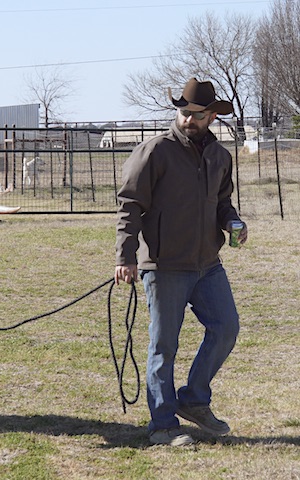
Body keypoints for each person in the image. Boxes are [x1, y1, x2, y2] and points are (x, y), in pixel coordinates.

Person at [114, 78, 248, 446]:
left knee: (226, 327)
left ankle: (193, 399)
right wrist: (125, 257)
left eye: (197, 114)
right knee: (164, 346)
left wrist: (233, 222)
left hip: (208, 264)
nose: (189, 119)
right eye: (184, 112)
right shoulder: (154, 151)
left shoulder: (220, 156)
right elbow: (129, 207)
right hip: (164, 265)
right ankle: (163, 425)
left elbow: (223, 203)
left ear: (211, 116)